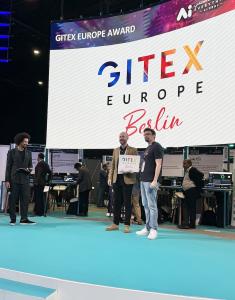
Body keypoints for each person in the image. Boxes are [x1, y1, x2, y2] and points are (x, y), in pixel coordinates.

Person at [106, 132, 138, 233]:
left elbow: (135, 165)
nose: (121, 138)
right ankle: (115, 224)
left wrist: (131, 169)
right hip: (117, 179)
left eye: (123, 136)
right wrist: (110, 177)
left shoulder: (133, 150)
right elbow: (112, 166)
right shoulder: (115, 150)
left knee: (127, 203)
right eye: (120, 136)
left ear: (127, 138)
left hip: (128, 179)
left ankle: (127, 225)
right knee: (116, 203)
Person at [136, 128, 164, 240]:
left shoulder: (157, 146)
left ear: (154, 135)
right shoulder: (148, 148)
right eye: (144, 134)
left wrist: (155, 180)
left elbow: (159, 165)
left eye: (148, 134)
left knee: (152, 205)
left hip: (151, 181)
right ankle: (147, 227)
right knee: (145, 205)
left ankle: (154, 229)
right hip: (143, 179)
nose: (145, 136)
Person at [5, 132, 36, 225]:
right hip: (14, 179)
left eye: (27, 142)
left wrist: (29, 169)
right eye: (25, 142)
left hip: (25, 180)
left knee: (25, 200)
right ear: (20, 141)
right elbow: (8, 167)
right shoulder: (11, 152)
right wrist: (7, 180)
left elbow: (30, 166)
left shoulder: (29, 153)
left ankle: (24, 219)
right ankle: (13, 219)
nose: (26, 143)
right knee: (13, 200)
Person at [179, 159, 204, 229]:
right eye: (183, 163)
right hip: (188, 192)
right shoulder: (188, 171)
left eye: (185, 164)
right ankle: (187, 224)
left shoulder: (192, 170)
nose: (183, 165)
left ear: (189, 164)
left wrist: (197, 189)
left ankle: (192, 224)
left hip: (191, 191)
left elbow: (200, 177)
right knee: (188, 207)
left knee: (191, 208)